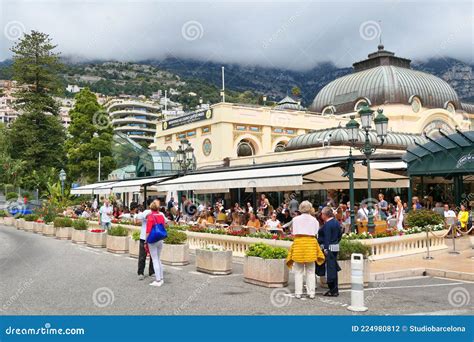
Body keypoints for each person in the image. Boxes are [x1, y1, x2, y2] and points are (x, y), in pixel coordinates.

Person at [286, 201, 324, 299]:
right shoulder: (314, 220)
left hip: (299, 243)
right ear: (310, 208)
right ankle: (311, 292)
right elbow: (316, 232)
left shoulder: (295, 219)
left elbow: (293, 232)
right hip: (310, 244)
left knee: (298, 271)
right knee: (311, 271)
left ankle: (298, 293)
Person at [318, 206, 342, 297]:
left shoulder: (327, 224)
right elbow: (340, 235)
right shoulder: (336, 222)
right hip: (335, 247)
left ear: (325, 215)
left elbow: (327, 237)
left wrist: (326, 249)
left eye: (322, 214)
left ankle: (333, 290)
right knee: (333, 268)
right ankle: (334, 289)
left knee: (330, 269)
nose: (321, 215)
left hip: (328, 248)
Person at [146, 200, 166, 287]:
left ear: (151, 208)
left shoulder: (150, 216)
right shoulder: (161, 216)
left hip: (152, 239)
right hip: (160, 239)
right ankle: (161, 278)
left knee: (154, 259)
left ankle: (158, 280)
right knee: (158, 259)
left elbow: (148, 231)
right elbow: (164, 226)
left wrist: (146, 241)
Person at [136, 201, 154, 280]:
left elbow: (166, 222)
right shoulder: (147, 212)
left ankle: (152, 272)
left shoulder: (158, 213)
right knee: (142, 256)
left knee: (153, 256)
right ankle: (140, 272)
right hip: (144, 237)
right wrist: (146, 217)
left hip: (153, 237)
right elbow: (137, 219)